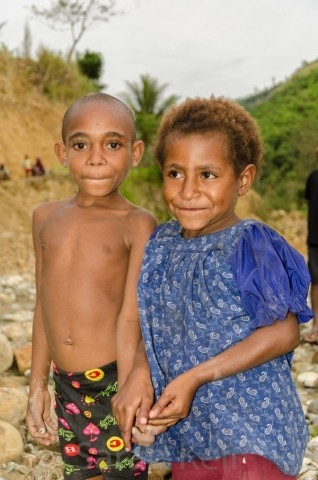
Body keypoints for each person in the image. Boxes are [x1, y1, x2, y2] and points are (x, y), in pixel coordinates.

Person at [112, 97, 313, 480]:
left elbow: (284, 332)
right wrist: (139, 373)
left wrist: (194, 377)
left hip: (251, 434)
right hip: (194, 438)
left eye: (207, 174)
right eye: (175, 173)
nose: (188, 190)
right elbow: (156, 324)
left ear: (243, 179)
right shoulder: (162, 242)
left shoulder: (249, 243)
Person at [25, 92, 158, 480]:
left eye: (112, 144)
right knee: (79, 474)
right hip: (64, 384)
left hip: (115, 381)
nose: (96, 157)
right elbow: (42, 304)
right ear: (62, 153)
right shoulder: (45, 218)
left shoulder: (137, 223)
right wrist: (37, 385)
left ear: (134, 153)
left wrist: (129, 391)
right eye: (81, 144)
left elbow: (131, 314)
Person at [303, 147, 318, 343]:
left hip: (315, 238)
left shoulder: (313, 177)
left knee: (316, 282)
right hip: (315, 239)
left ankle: (316, 328)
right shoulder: (313, 177)